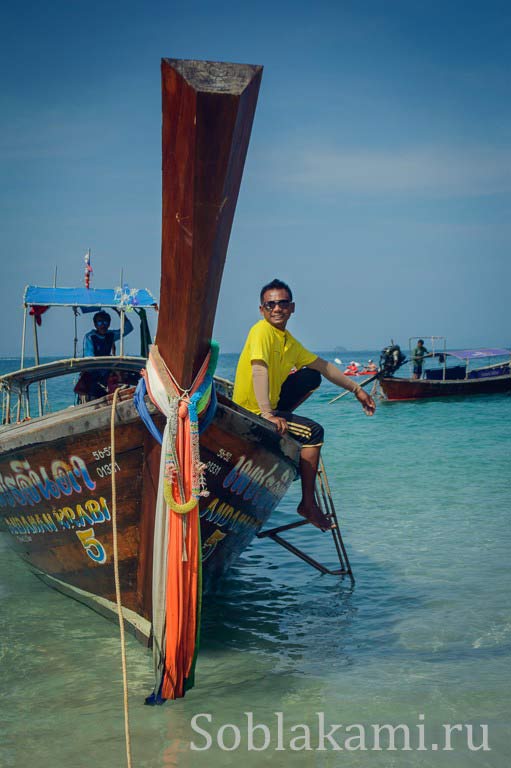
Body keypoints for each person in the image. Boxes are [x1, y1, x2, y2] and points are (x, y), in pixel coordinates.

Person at [233, 279, 376, 531]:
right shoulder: (261, 331)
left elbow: (324, 367)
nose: (277, 309)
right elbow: (259, 369)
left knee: (311, 375)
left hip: (268, 407)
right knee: (313, 433)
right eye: (271, 304)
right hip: (251, 412)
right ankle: (307, 504)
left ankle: (282, 417)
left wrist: (357, 389)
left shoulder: (287, 340)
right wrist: (266, 413)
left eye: (283, 303)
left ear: (292, 307)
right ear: (262, 309)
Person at [77, 310, 134, 400]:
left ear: (109, 324)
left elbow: (128, 328)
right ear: (95, 325)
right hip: (94, 371)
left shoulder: (111, 335)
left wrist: (118, 311)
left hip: (106, 371)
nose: (103, 325)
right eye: (99, 322)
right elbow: (89, 357)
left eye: (105, 322)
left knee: (125, 377)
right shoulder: (90, 337)